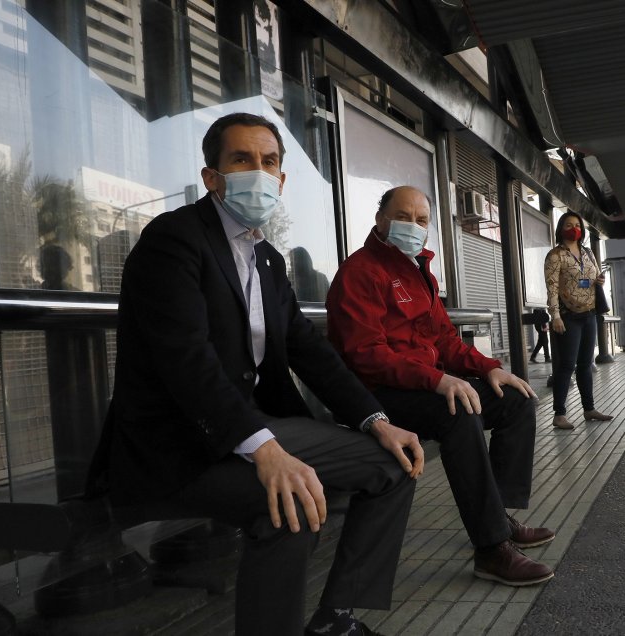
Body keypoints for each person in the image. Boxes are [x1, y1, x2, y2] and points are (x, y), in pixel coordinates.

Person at [86, 113, 423, 636]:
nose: (258, 172)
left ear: (282, 180)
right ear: (212, 177)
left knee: (394, 464)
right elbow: (186, 361)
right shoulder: (172, 240)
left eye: (269, 162)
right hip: (178, 447)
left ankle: (337, 617)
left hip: (248, 429)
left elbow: (309, 350)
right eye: (241, 159)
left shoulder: (267, 259)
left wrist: (376, 420)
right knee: (285, 507)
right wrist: (267, 452)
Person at [326, 185, 556, 587]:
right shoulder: (360, 272)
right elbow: (365, 354)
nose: (412, 227)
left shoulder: (419, 271)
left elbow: (445, 340)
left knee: (515, 400)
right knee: (458, 412)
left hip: (422, 385)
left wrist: (488, 369)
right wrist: (436, 380)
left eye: (421, 220)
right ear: (380, 219)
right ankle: (491, 549)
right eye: (402, 217)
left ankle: (497, 516)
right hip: (378, 395)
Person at [544, 212, 615, 430]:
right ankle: (559, 414)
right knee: (566, 365)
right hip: (568, 317)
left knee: (585, 364)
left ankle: (589, 409)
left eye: (577, 225)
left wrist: (598, 281)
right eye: (569, 225)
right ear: (561, 228)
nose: (574, 228)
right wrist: (555, 315)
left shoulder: (587, 253)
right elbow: (553, 287)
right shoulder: (555, 255)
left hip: (589, 314)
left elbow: (586, 281)